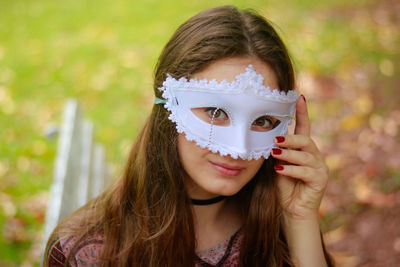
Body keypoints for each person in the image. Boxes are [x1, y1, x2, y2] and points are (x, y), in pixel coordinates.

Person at [44, 5, 334, 267]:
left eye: (263, 120)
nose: (238, 150)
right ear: (169, 107)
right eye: (215, 112)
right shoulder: (85, 253)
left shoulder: (279, 231)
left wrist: (300, 223)